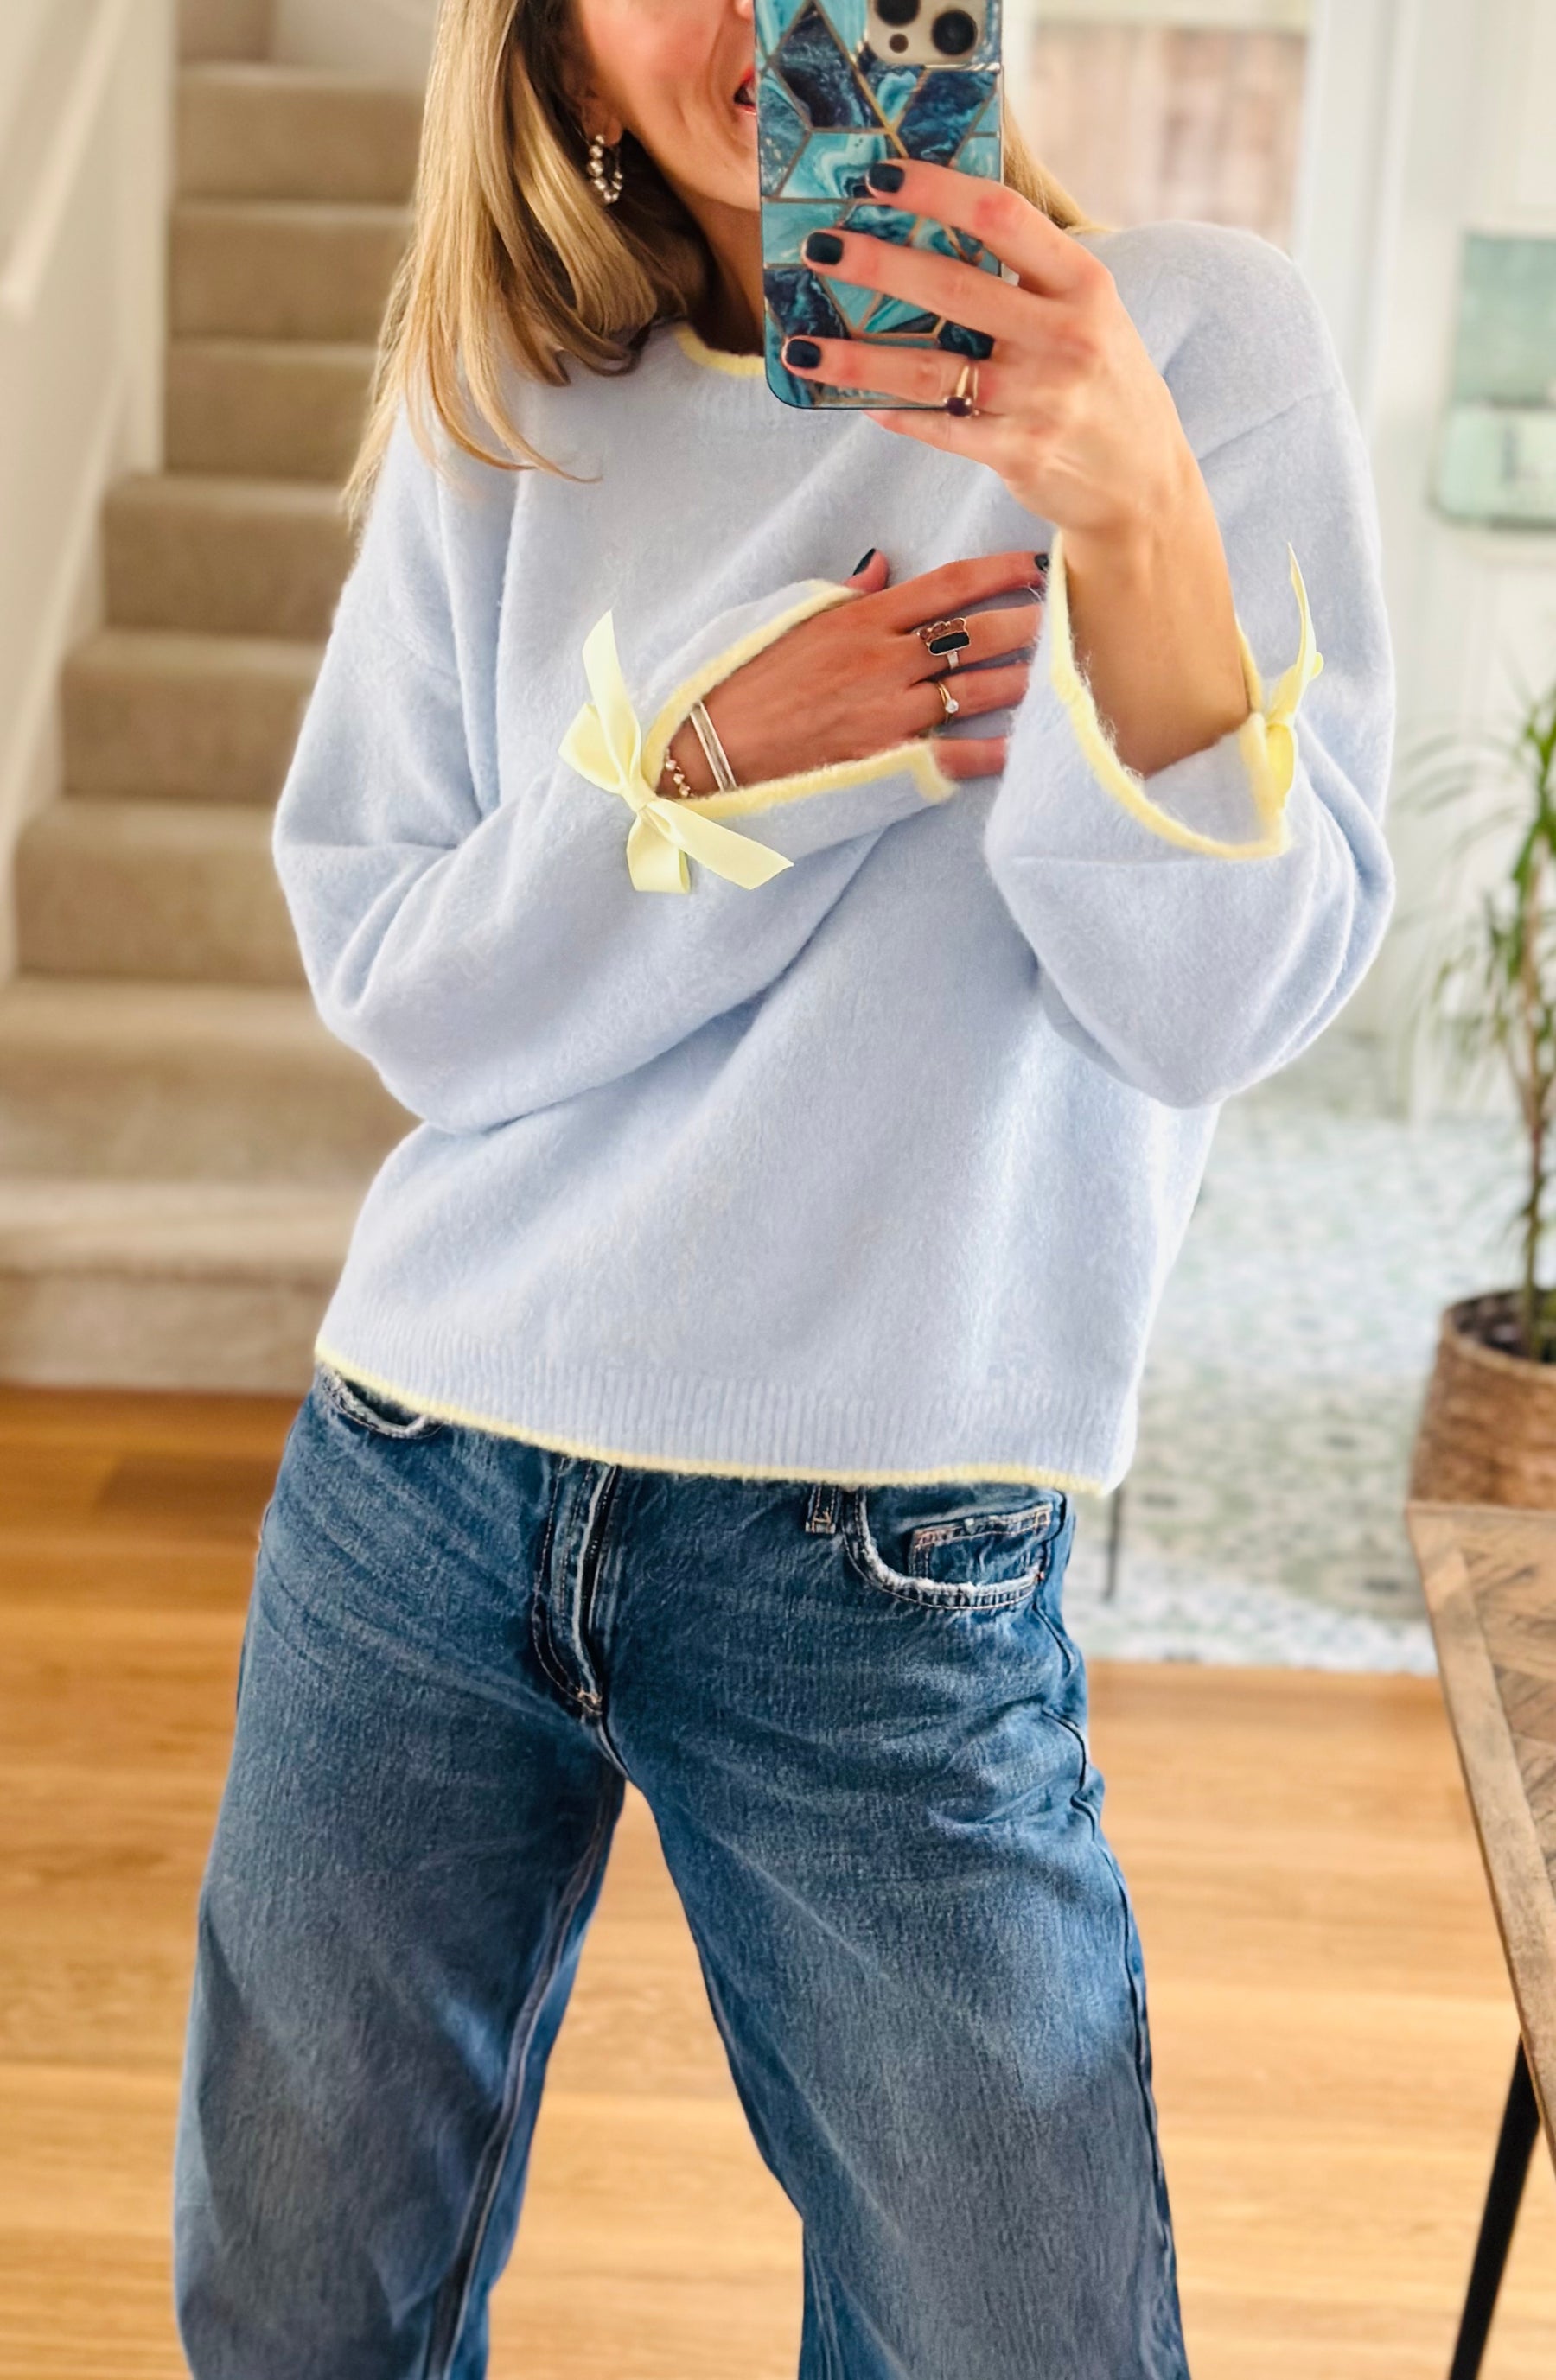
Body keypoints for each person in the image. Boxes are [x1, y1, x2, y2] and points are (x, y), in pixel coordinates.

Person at [171, 0, 1394, 2370]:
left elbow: (1212, 1007)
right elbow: (409, 983)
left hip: (882, 1543)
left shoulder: (1202, 342)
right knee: (298, 2313)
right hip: (418, 1476)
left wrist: (1125, 495)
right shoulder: (520, 408)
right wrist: (730, 750)